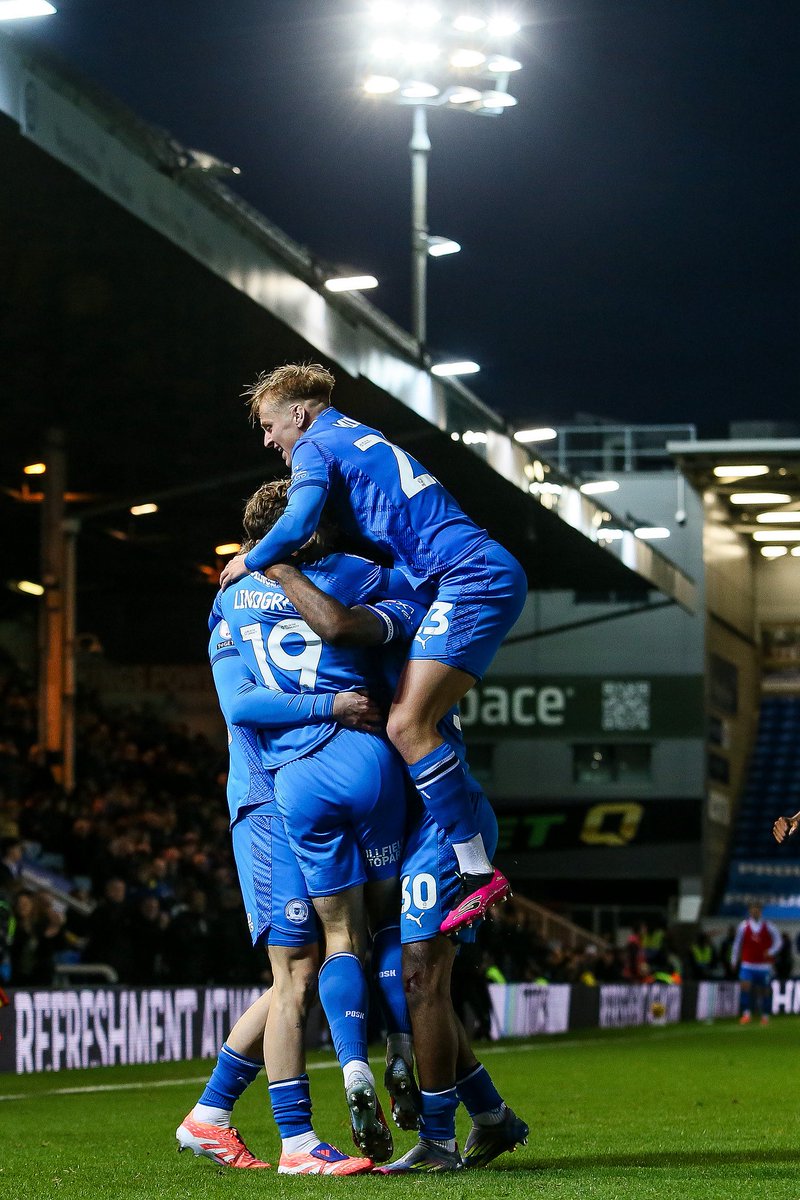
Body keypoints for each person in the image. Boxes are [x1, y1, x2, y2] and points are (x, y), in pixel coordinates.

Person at [219, 362, 528, 934]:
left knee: (408, 726)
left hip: (469, 578)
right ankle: (469, 858)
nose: (269, 441)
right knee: (418, 720)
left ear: (299, 413)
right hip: (470, 575)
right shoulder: (363, 437)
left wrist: (252, 559)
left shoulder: (316, 445)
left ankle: (476, 870)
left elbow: (295, 522)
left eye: (269, 425)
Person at [263, 536, 528, 1173]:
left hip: (438, 820)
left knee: (418, 977)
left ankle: (436, 1139)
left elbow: (338, 621)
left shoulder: (403, 612)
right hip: (402, 822)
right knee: (404, 971)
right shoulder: (384, 611)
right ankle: (489, 1115)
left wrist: (267, 562)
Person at [215, 481, 437, 1164]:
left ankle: (320, 1097)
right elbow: (421, 595)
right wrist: (339, 704)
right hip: (365, 762)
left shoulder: (229, 598)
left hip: (290, 786)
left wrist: (251, 565)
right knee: (367, 935)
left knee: (310, 960)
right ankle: (378, 1073)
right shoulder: (363, 576)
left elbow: (241, 704)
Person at [176, 610, 376, 1175]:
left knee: (307, 967)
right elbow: (240, 705)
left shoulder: (296, 608)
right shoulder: (232, 618)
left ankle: (209, 1115)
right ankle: (297, 1142)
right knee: (296, 971)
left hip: (300, 799)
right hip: (264, 803)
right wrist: (333, 707)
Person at [730, 903, 781, 1026]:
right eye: (753, 910)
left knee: (764, 990)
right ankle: (746, 1014)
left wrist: (771, 951)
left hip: (763, 965)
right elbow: (737, 944)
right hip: (748, 964)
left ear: (760, 911)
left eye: (757, 910)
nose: (755, 912)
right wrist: (733, 959)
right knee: (745, 987)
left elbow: (778, 941)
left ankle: (765, 1015)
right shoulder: (743, 926)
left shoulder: (768, 926)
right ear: (749, 911)